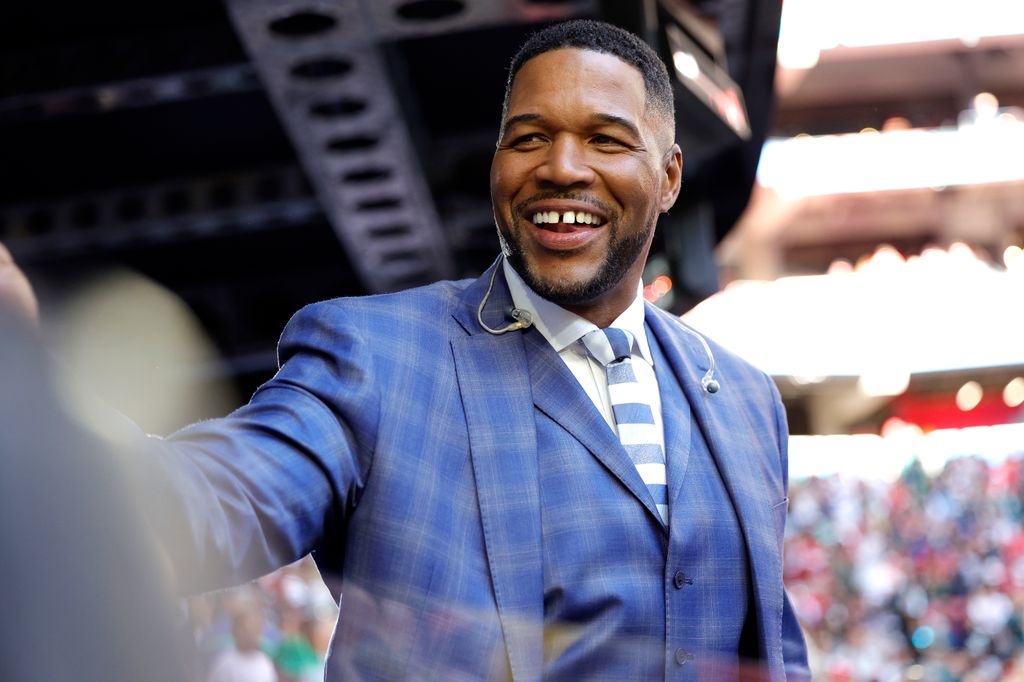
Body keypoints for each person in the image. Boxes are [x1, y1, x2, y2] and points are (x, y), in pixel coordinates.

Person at [0, 19, 809, 680]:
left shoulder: (742, 400)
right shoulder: (377, 358)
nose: (561, 168)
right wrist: (32, 399)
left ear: (668, 176)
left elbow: (773, 652)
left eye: (604, 139)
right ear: (496, 164)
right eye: (528, 138)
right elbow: (206, 504)